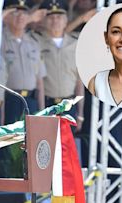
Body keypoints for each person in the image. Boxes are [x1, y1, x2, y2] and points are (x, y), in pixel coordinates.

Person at [36, 0, 84, 132]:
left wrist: (80, 113)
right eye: (50, 17)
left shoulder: (75, 44)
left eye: (59, 17)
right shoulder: (35, 41)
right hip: (47, 103)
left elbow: (79, 81)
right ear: (43, 21)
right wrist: (41, 110)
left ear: (66, 20)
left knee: (66, 149)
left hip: (69, 104)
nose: (55, 20)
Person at [2, 0, 47, 124]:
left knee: (30, 141)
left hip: (30, 100)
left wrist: (42, 111)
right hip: (9, 100)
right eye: (15, 13)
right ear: (6, 17)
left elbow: (39, 81)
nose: (21, 16)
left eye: (24, 13)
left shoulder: (33, 42)